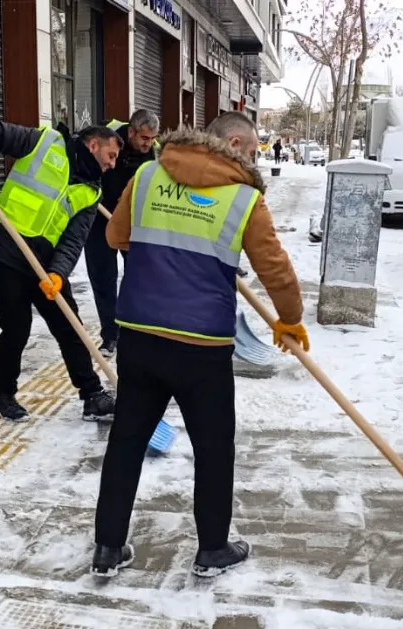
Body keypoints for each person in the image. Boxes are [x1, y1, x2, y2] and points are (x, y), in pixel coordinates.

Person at [90, 111, 307, 579]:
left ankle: (108, 547)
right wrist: (290, 320)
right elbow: (276, 270)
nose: (254, 162)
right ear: (233, 142)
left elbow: (114, 236)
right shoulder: (244, 199)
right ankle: (212, 549)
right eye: (252, 152)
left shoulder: (148, 175)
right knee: (213, 449)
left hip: (141, 336)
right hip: (202, 348)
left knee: (127, 441)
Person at [0, 123, 123, 423]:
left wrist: (58, 273)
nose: (112, 164)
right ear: (93, 146)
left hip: (45, 264)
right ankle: (4, 395)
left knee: (70, 326)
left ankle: (92, 396)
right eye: (111, 155)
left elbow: (74, 240)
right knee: (16, 327)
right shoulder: (45, 142)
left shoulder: (91, 191)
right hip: (6, 250)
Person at [84, 110, 160, 358]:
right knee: (104, 279)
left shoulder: (155, 153)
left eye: (152, 138)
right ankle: (110, 335)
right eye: (144, 138)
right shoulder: (107, 140)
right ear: (131, 132)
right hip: (100, 221)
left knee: (138, 278)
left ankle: (135, 329)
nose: (148, 143)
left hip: (134, 224)